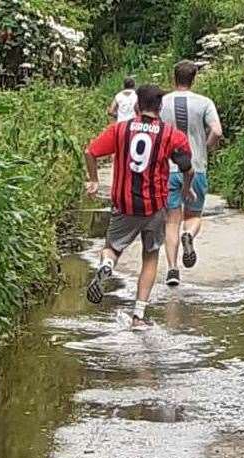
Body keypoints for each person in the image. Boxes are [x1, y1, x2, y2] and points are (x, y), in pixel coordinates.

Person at [85, 85, 194, 326]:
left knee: (112, 247)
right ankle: (138, 315)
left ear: (136, 106)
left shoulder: (119, 130)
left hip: (123, 205)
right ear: (160, 108)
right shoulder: (171, 135)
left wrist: (94, 180)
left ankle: (106, 264)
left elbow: (90, 152)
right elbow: (187, 166)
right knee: (150, 256)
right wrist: (186, 188)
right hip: (154, 206)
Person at [160, 60, 223, 286]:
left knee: (171, 221)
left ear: (173, 77)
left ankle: (173, 270)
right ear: (194, 78)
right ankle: (189, 235)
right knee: (194, 216)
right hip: (195, 166)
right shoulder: (204, 102)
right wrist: (205, 146)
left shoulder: (162, 102)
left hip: (168, 169)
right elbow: (217, 130)